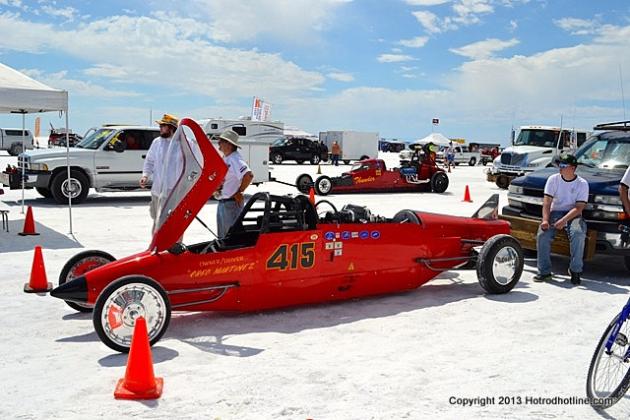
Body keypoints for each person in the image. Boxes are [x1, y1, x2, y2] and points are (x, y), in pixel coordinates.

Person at [534, 154, 589, 285]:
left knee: (578, 234)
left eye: (564, 166)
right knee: (542, 235)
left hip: (573, 215)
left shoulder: (582, 184)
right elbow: (547, 203)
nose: (560, 168)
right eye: (560, 165)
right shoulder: (553, 179)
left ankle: (575, 270)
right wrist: (545, 220)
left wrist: (564, 220)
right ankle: (544, 272)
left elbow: (579, 207)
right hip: (555, 213)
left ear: (573, 168)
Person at [139, 113, 179, 233]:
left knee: (173, 222)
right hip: (157, 191)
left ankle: (174, 247)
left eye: (163, 126)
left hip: (174, 192)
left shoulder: (183, 144)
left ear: (171, 128)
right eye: (160, 125)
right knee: (156, 221)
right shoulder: (157, 142)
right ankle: (155, 248)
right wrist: (145, 175)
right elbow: (149, 161)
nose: (160, 128)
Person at [215, 129, 254, 238]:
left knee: (230, 236)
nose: (218, 143)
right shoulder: (227, 158)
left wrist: (240, 191)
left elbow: (248, 175)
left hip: (231, 203)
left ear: (229, 144)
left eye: (221, 141)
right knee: (223, 236)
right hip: (224, 202)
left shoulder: (235, 159)